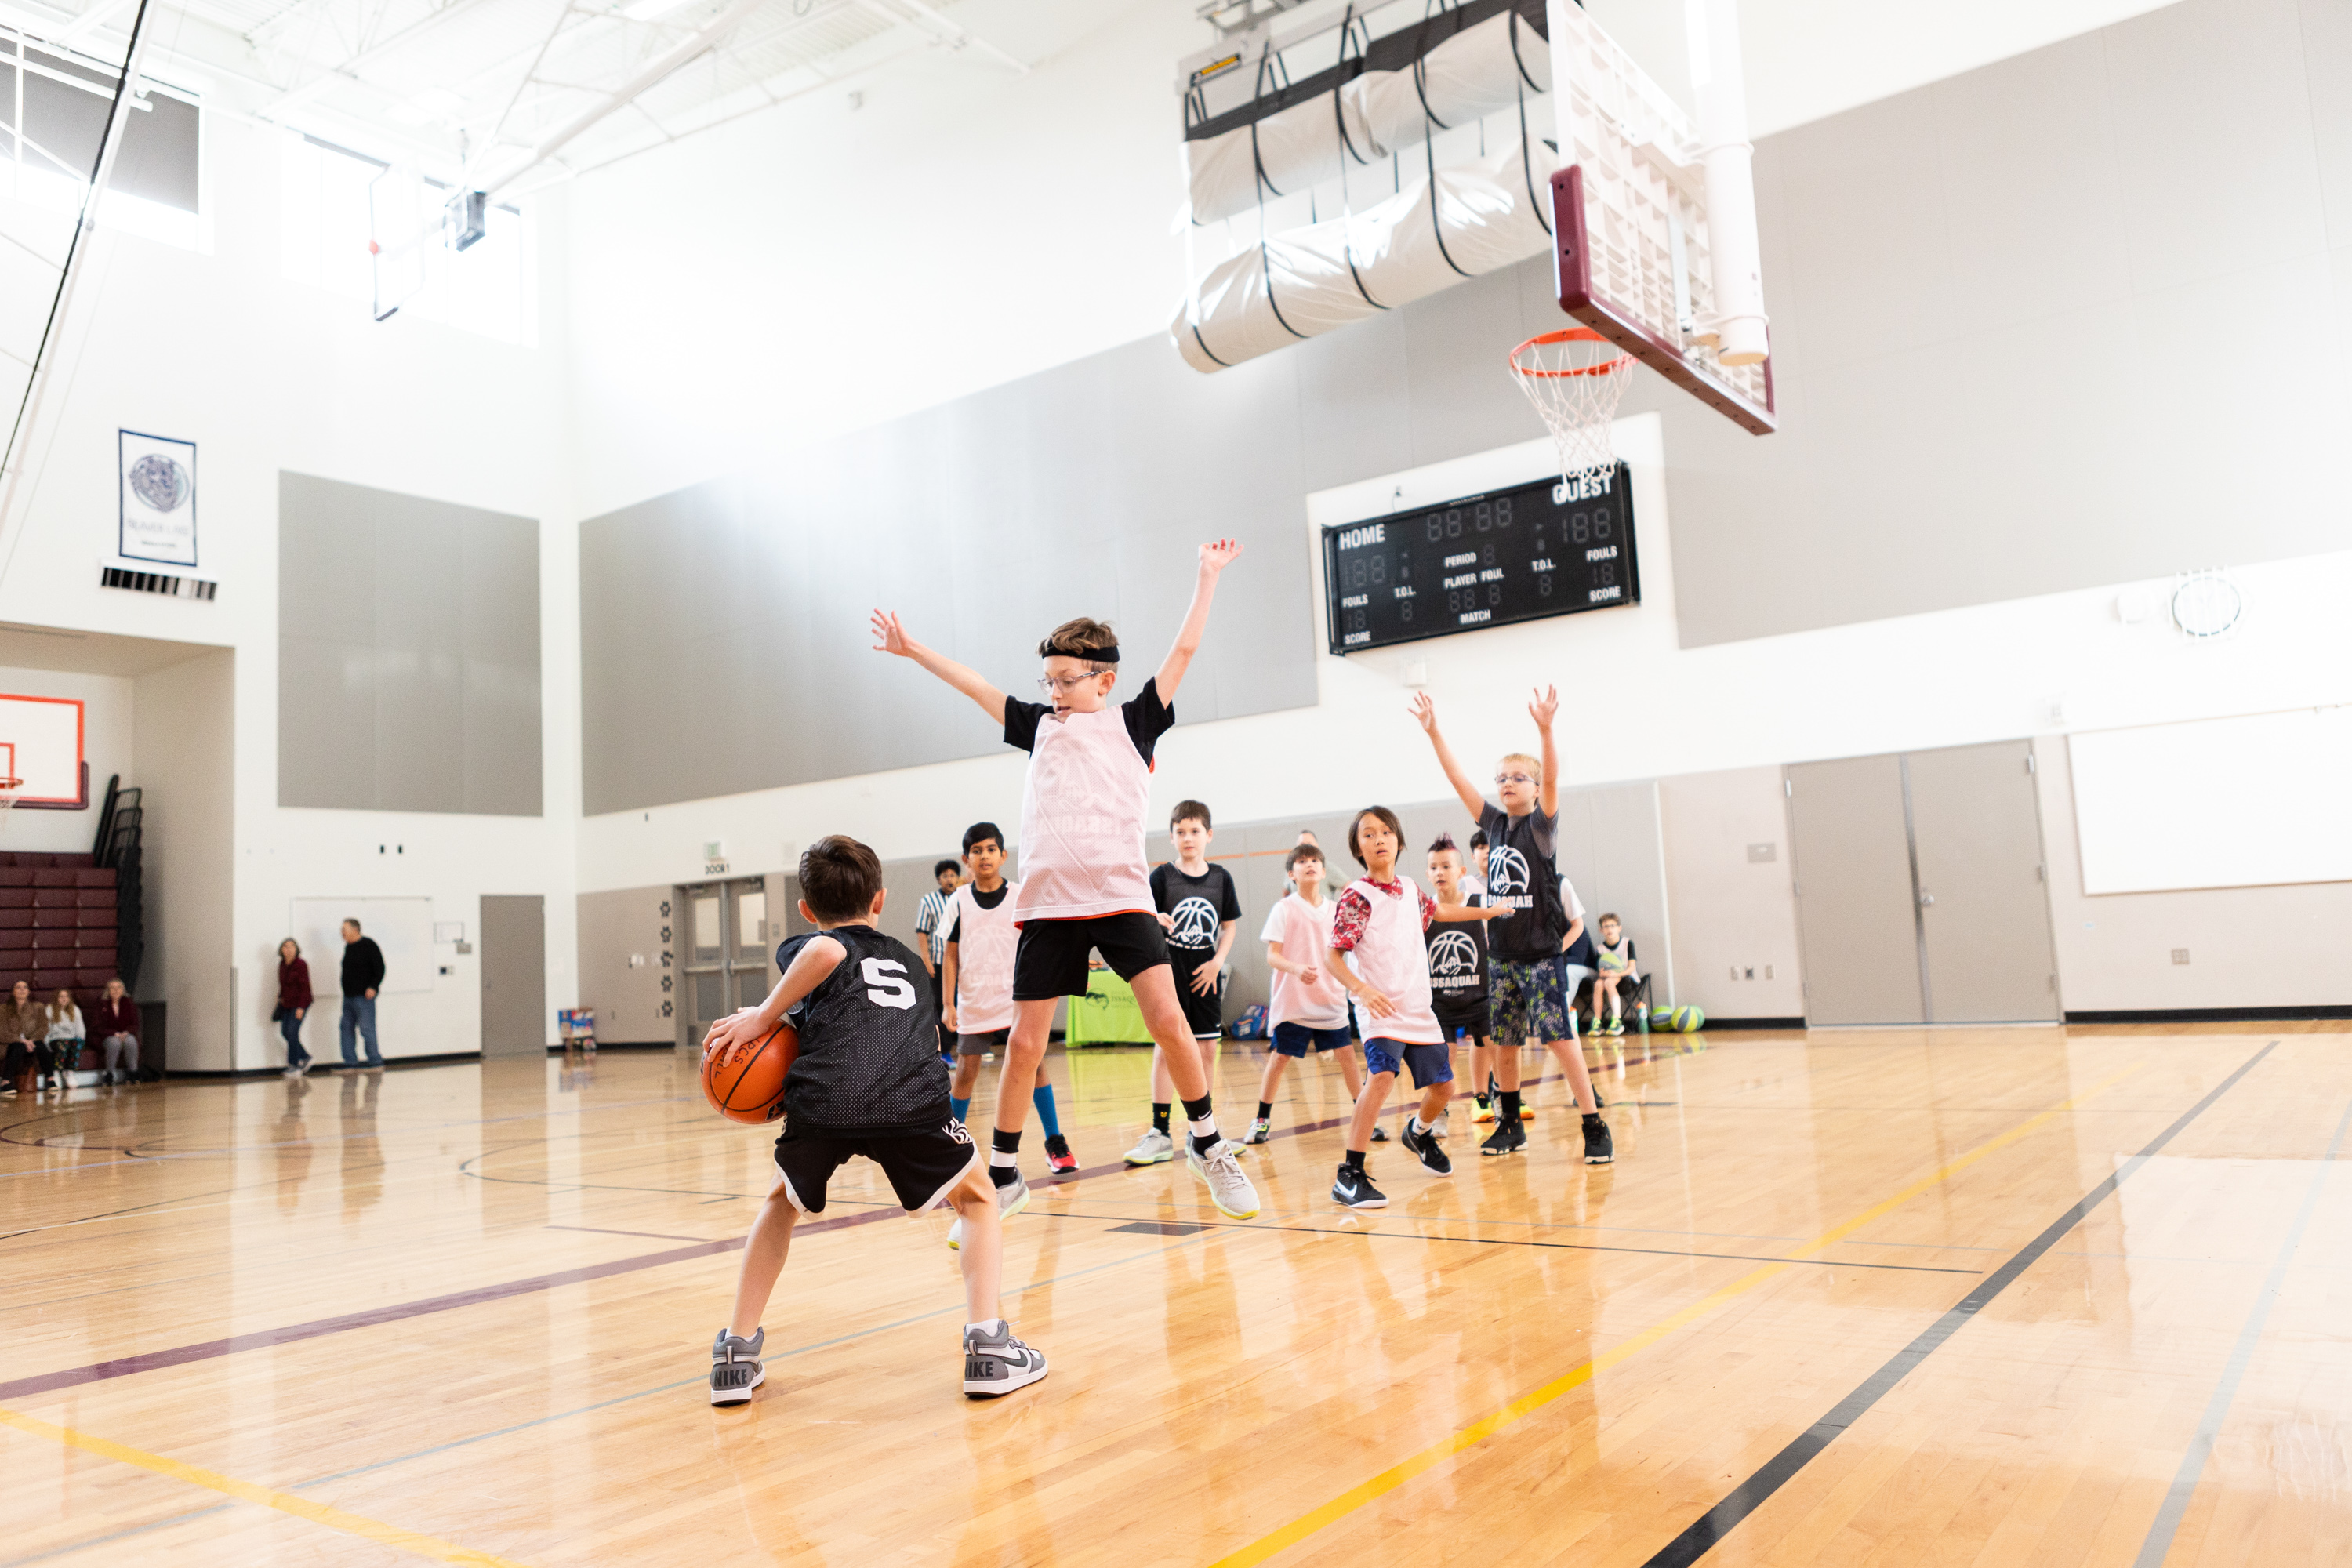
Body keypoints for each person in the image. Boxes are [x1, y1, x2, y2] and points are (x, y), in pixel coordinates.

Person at [868, 538, 1259, 1222]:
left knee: (1170, 1022)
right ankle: (1004, 1174)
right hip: (1049, 906)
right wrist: (914, 649)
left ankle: (1206, 1142)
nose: (1053, 690)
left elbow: (1186, 652)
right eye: (1048, 679)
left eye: (1066, 680)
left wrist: (1206, 576)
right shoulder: (1039, 726)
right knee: (1023, 1045)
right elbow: (975, 684)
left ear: (1102, 680)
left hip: (1121, 898)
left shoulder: (1136, 722)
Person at [698, 835, 1045, 1405]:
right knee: (981, 1199)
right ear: (879, 901)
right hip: (908, 1099)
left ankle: (736, 1351)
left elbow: (826, 951)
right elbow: (856, 975)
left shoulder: (811, 945)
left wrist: (765, 1016)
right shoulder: (908, 961)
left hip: (826, 1098)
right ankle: (988, 1347)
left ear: (808, 912)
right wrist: (769, 1016)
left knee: (779, 1204)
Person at [1410, 688, 1613, 1165]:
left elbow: (1553, 774)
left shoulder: (1541, 826)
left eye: (1519, 778)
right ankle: (1510, 1124)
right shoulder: (1494, 824)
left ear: (1537, 789)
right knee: (1504, 1048)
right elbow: (1457, 778)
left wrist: (1545, 730)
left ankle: (1593, 1124)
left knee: (1562, 1044)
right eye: (1501, 778)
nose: (1507, 783)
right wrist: (1435, 731)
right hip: (1501, 958)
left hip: (1541, 957)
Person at [1322, 807, 1501, 1208]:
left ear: (1399, 841)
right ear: (1358, 847)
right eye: (1369, 834)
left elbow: (1440, 912)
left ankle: (1418, 1132)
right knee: (1382, 1077)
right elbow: (1332, 956)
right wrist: (1362, 990)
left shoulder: (1408, 887)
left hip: (1419, 1011)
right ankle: (1349, 1173)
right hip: (1381, 1010)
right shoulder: (1356, 895)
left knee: (1445, 1088)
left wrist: (1487, 911)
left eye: (1386, 831)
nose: (1379, 838)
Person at [943, 822, 1075, 1191]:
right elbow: (950, 957)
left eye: (990, 849)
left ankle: (1055, 1142)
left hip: (1017, 1000)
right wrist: (947, 1004)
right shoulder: (958, 901)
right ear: (966, 860)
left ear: (1003, 855)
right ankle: (951, 1146)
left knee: (1034, 1067)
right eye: (976, 851)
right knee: (966, 1071)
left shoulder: (1021, 895)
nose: (983, 856)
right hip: (974, 1002)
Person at [1131, 800, 1241, 1165]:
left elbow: (1229, 926)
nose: (1188, 837)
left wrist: (1217, 962)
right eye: (1181, 831)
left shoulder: (1221, 878)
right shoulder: (1161, 877)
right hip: (1167, 969)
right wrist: (1153, 919)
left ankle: (1202, 1132)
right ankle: (1159, 1132)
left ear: (1208, 835)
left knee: (1207, 1050)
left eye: (1195, 831)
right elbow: (1141, 915)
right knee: (1167, 1048)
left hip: (1205, 971)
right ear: (1172, 836)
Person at [1247, 841, 1363, 1144]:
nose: (1309, 864)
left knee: (1348, 1057)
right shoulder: (1283, 909)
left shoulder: (1337, 911)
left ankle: (1364, 1117)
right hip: (1294, 1003)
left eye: (1315, 861)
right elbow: (1272, 956)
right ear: (1292, 874)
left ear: (1324, 871)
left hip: (1331, 1001)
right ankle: (1261, 1120)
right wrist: (1296, 969)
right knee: (1280, 1058)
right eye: (1302, 862)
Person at [1425, 833, 1494, 1131]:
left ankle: (1497, 1099)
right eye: (1433, 868)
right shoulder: (1424, 910)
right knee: (1444, 1057)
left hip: (1479, 998)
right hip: (1439, 1002)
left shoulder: (1480, 904)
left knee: (1496, 1048)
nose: (1439, 872)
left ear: (1461, 872)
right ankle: (1438, 1112)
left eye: (1446, 866)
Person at [915, 858, 960, 1063]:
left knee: (966, 1005)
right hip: (941, 963)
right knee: (943, 1006)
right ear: (938, 879)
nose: (949, 879)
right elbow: (922, 931)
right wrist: (926, 958)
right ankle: (946, 1052)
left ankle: (976, 1047)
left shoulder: (965, 897)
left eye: (952, 875)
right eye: (945, 876)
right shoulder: (928, 901)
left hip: (966, 962)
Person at [339, 919, 385, 1069]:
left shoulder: (369, 945)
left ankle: (375, 1061)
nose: (342, 932)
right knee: (346, 1027)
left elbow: (380, 968)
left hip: (363, 997)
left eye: (344, 929)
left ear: (355, 930)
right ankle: (350, 1062)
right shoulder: (348, 947)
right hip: (348, 997)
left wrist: (373, 987)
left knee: (366, 1029)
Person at [1591, 913, 1639, 1034]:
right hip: (1608, 978)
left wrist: (1616, 974)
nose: (1609, 929)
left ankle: (1617, 1020)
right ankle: (1598, 1022)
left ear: (1619, 928)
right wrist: (1602, 973)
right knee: (1598, 984)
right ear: (1601, 930)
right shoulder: (1600, 949)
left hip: (1628, 978)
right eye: (1606, 927)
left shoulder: (1627, 943)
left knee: (1609, 981)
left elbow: (1631, 968)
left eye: (1612, 926)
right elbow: (1600, 970)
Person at [2, 978, 52, 1094]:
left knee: (42, 1047)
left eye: (25, 987)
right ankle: (6, 1082)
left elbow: (44, 1027)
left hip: (33, 1040)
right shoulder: (3, 1009)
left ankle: (50, 1080)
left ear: (29, 992)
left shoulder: (38, 1007)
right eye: (18, 988)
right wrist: (21, 1040)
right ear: (13, 992)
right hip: (11, 1042)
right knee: (18, 1047)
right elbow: (2, 1031)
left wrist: (31, 1040)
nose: (22, 990)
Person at [277, 938, 314, 1077]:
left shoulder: (301, 964)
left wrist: (301, 1007)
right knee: (285, 1032)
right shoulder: (282, 964)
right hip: (287, 1003)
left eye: (292, 946)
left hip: (300, 1003)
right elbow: (283, 984)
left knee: (292, 1032)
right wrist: (280, 997)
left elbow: (305, 987)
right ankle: (305, 1057)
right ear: (282, 950)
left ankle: (294, 1065)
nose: (289, 949)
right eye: (286, 946)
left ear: (297, 949)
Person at [93, 978, 140, 1084]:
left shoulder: (128, 1003)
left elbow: (135, 1024)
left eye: (119, 988)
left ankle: (133, 1073)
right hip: (108, 1035)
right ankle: (109, 1073)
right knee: (114, 1042)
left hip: (125, 1034)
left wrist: (126, 1032)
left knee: (131, 1041)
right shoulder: (102, 1004)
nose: (116, 990)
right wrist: (115, 1033)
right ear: (108, 991)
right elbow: (98, 1027)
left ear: (123, 990)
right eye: (113, 988)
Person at [44, 988, 85, 1087]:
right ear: (56, 998)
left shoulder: (75, 1009)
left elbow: (80, 1028)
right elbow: (46, 1029)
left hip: (71, 1038)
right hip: (55, 1038)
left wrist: (81, 1040)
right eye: (61, 997)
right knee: (64, 1043)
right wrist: (46, 1044)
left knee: (75, 1043)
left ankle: (70, 1073)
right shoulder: (50, 1009)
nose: (64, 999)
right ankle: (56, 1073)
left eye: (66, 997)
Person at [1465, 829, 1490, 897]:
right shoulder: (1465, 885)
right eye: (1482, 848)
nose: (1488, 851)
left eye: (1492, 846)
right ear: (1473, 857)